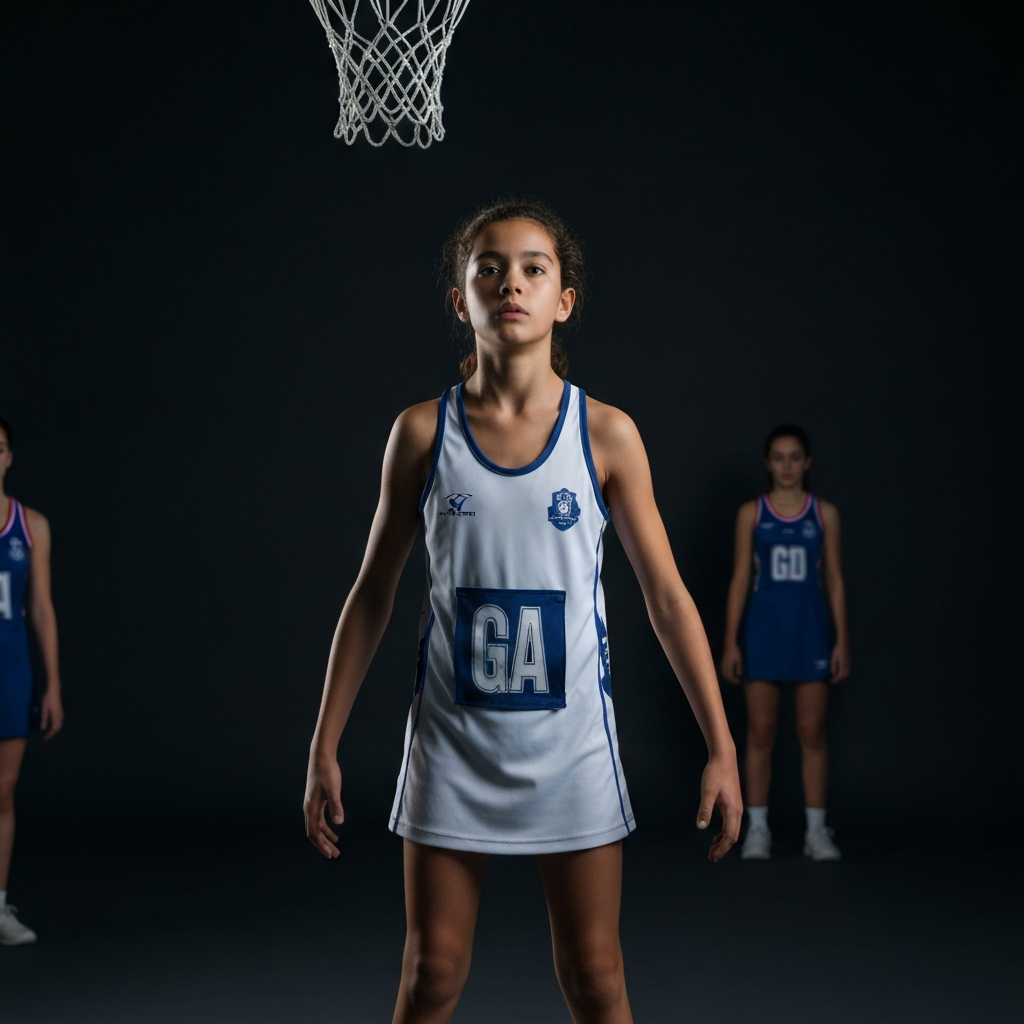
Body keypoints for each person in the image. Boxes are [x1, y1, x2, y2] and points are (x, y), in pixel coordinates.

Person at [303, 198, 742, 1024]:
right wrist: (324, 744)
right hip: (452, 748)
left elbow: (668, 599)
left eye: (534, 269)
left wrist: (721, 746)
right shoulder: (422, 433)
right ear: (459, 299)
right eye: (490, 269)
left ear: (564, 299)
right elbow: (371, 594)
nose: (512, 283)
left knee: (596, 977)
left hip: (570, 752)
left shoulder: (606, 435)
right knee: (432, 973)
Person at [721, 425, 849, 862]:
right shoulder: (752, 513)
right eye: (779, 457)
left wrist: (841, 641)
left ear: (807, 462)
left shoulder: (824, 513)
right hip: (764, 631)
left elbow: (834, 580)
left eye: (795, 457)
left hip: (809, 631)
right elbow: (740, 578)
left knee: (812, 732)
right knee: (760, 732)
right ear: (767, 462)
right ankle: (757, 829)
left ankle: (816, 832)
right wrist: (731, 642)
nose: (787, 465)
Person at [0, 416, 63, 946]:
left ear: (9, 456)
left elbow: (41, 608)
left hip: (10, 669)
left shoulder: (30, 525)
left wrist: (53, 685)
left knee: (2, 792)